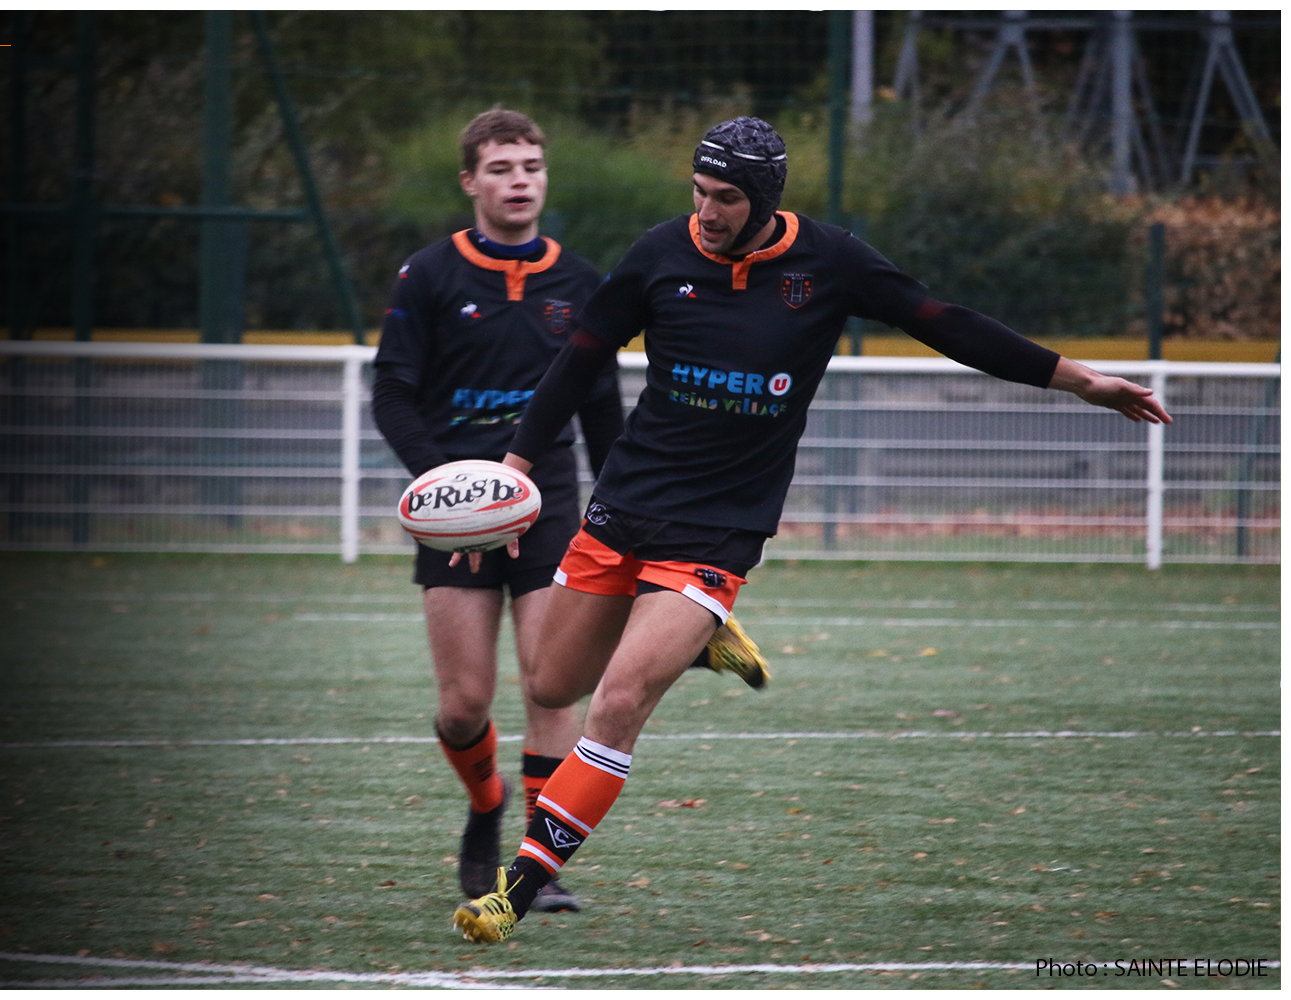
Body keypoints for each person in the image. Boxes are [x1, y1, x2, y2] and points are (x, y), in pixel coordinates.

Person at [451, 115, 1172, 943]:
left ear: (765, 201)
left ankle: (516, 889)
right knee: (550, 685)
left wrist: (1078, 380)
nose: (707, 212)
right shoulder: (660, 254)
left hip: (719, 529)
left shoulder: (830, 262)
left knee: (617, 703)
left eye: (726, 198)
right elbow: (579, 358)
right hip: (625, 505)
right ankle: (699, 638)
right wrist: (514, 471)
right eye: (700, 192)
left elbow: (945, 321)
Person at [372, 109, 769, 915]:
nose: (519, 180)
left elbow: (598, 409)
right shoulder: (429, 274)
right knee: (463, 705)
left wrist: (626, 509)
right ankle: (485, 805)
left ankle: (535, 867)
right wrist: (449, 489)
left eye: (531, 166)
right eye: (501, 167)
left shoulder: (582, 280)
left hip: (547, 502)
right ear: (470, 181)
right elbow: (392, 396)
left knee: (551, 684)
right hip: (457, 507)